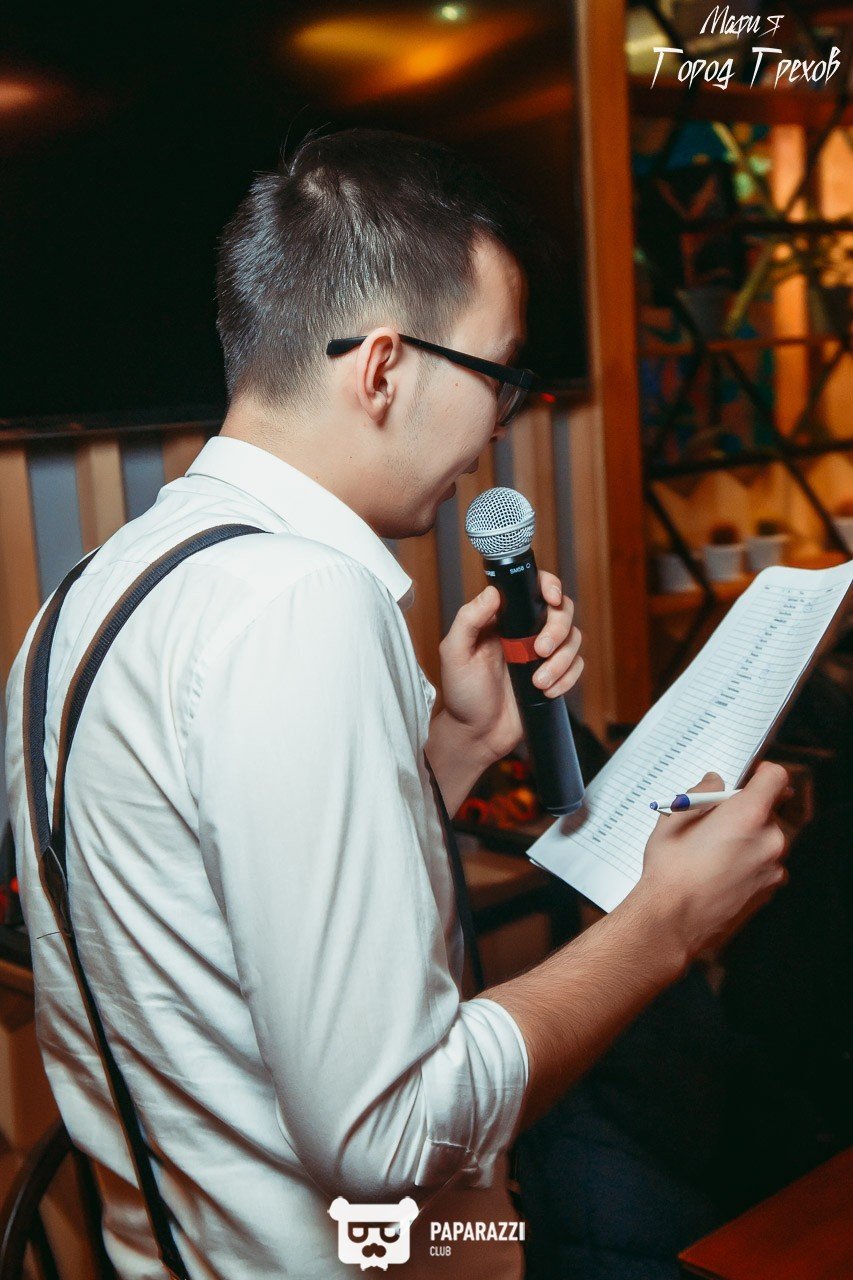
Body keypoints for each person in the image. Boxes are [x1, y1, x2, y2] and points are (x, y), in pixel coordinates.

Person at [4, 129, 789, 1279]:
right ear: (382, 367)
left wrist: (451, 749)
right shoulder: (302, 599)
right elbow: (389, 1131)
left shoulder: (86, 593)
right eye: (498, 374)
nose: (504, 421)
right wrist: (665, 919)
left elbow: (225, 917)